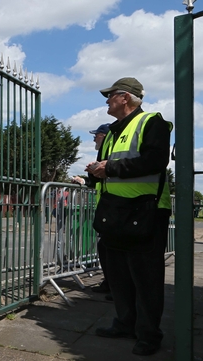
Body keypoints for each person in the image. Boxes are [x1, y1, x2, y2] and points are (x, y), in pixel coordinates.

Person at [88, 77, 172, 356]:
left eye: (110, 96)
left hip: (145, 211)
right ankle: (125, 323)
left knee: (146, 278)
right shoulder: (112, 131)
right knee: (119, 275)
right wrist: (94, 173)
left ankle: (149, 335)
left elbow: (155, 161)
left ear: (125, 97)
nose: (107, 101)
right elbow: (107, 168)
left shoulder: (152, 122)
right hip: (115, 211)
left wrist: (109, 168)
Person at [72, 123, 112, 299]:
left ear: (104, 136)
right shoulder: (103, 152)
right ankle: (110, 283)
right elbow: (99, 182)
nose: (94, 138)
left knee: (110, 248)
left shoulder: (110, 151)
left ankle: (114, 286)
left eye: (97, 135)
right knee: (105, 247)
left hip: (114, 207)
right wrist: (85, 180)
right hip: (107, 206)